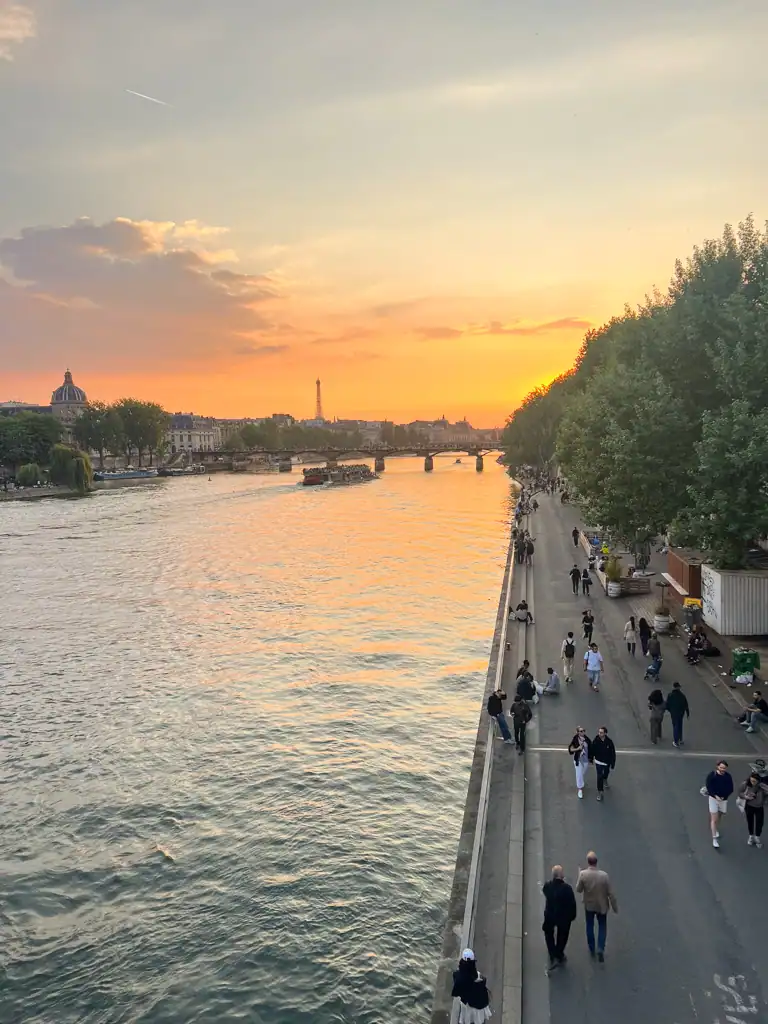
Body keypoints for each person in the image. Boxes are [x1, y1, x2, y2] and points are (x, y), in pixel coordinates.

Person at [576, 852, 618, 962]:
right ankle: (600, 947)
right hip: (602, 905)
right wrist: (614, 907)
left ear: (588, 861)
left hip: (589, 905)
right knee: (602, 926)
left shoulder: (583, 874)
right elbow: (611, 893)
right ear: (596, 862)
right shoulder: (604, 876)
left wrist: (579, 875)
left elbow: (578, 889)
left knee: (589, 925)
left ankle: (591, 947)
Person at [542, 865, 577, 971]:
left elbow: (545, 891)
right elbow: (572, 904)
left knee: (548, 933)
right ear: (561, 875)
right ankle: (559, 953)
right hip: (563, 917)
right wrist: (572, 916)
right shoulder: (567, 889)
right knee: (563, 935)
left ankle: (552, 952)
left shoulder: (548, 886)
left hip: (550, 915)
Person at [451, 948, 492, 1023]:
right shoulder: (478, 976)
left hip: (468, 1005)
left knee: (467, 1020)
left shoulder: (458, 976)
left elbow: (457, 992)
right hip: (479, 1006)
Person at [702, 759, 734, 849]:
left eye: (724, 768)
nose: (722, 769)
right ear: (717, 767)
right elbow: (709, 787)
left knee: (720, 815)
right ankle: (714, 838)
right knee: (714, 819)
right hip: (713, 799)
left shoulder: (728, 777)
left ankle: (715, 828)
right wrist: (715, 796)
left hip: (723, 800)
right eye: (721, 767)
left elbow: (731, 788)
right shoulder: (712, 776)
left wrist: (724, 796)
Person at [738, 771, 768, 848]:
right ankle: (751, 836)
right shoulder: (745, 784)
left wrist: (764, 799)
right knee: (750, 821)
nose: (753, 782)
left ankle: (757, 837)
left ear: (758, 780)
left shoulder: (762, 786)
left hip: (759, 807)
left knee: (759, 823)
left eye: (754, 781)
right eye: (751, 780)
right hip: (749, 806)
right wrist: (746, 797)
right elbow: (740, 793)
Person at [591, 726, 616, 801]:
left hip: (606, 762)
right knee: (599, 776)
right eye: (599, 732)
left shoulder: (609, 742)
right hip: (598, 761)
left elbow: (612, 753)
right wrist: (591, 758)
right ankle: (600, 791)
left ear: (605, 733)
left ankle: (605, 779)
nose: (599, 734)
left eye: (601, 732)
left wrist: (612, 763)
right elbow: (592, 749)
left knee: (606, 772)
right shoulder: (596, 740)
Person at [568, 727, 592, 799]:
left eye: (584, 731)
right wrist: (577, 749)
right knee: (579, 774)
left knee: (582, 772)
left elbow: (591, 749)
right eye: (581, 731)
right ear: (578, 732)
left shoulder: (587, 740)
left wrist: (591, 759)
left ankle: (581, 783)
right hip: (578, 760)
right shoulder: (575, 740)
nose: (583, 732)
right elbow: (571, 749)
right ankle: (580, 789)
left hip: (585, 760)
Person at [666, 682, 690, 747]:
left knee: (675, 726)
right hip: (681, 713)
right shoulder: (682, 695)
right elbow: (686, 705)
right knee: (680, 725)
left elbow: (667, 705)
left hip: (674, 713)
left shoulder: (670, 695)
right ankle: (680, 739)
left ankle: (676, 741)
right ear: (679, 687)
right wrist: (687, 713)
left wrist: (670, 710)